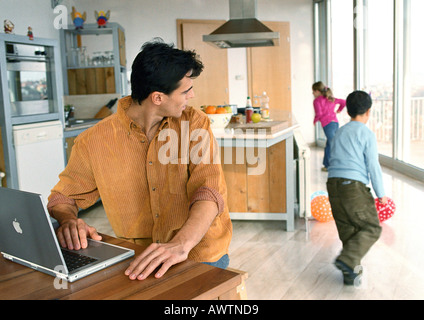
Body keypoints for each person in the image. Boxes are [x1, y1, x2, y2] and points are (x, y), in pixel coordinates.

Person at [47, 39, 233, 280]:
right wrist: (69, 220)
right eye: (185, 90)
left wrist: (181, 245)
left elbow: (209, 191)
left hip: (199, 254)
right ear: (158, 98)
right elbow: (64, 197)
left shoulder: (194, 124)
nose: (192, 95)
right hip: (139, 260)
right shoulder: (93, 140)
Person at [326, 90, 387, 285]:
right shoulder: (367, 134)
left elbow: (330, 160)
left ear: (348, 111)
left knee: (348, 231)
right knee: (371, 227)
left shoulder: (339, 132)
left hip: (333, 185)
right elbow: (373, 166)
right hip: (353, 187)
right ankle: (347, 260)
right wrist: (381, 195)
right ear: (368, 112)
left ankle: (350, 275)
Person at [312, 81, 346, 171]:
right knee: (330, 143)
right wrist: (339, 110)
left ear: (318, 91)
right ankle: (327, 165)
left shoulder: (316, 101)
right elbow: (344, 102)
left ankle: (335, 165)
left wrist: (315, 120)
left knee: (332, 143)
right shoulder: (331, 98)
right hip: (335, 122)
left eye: (313, 91)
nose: (312, 93)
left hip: (327, 124)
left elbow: (319, 113)